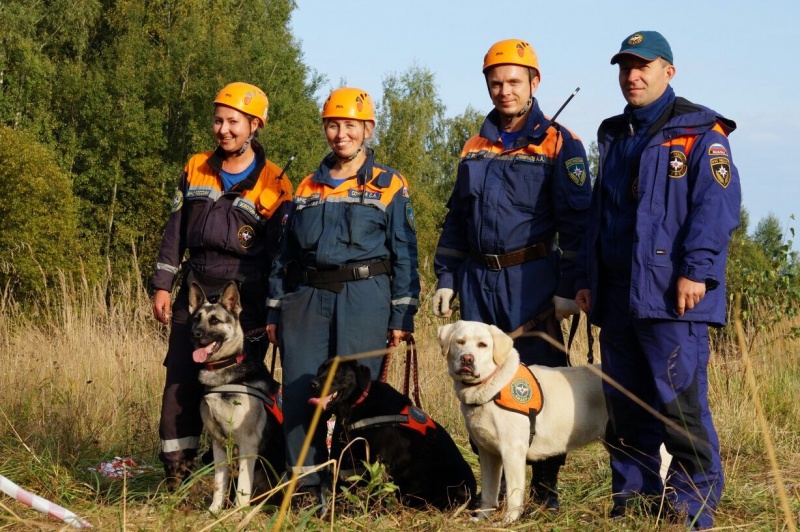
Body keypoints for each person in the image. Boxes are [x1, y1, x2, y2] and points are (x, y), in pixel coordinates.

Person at [574, 31, 741, 528]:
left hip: (674, 297)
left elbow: (717, 209)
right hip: (619, 297)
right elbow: (598, 216)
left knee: (679, 407)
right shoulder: (614, 135)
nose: (633, 75)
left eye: (643, 66)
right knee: (625, 408)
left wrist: (697, 271)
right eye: (625, 67)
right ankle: (634, 502)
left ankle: (690, 508)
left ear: (669, 72)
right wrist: (587, 277)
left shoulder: (700, 132)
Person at [432, 39, 593, 510]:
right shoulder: (474, 145)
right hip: (478, 282)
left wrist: (567, 287)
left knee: (540, 386)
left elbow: (578, 224)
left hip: (534, 281)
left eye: (514, 82)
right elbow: (457, 219)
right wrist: (446, 277)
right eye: (496, 83)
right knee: (479, 384)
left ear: (534, 83)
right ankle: (495, 491)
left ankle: (544, 490)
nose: (504, 91)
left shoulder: (562, 143)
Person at [266, 87, 420, 508]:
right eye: (333, 125)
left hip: (365, 297)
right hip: (307, 299)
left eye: (350, 125)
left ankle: (352, 488)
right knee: (302, 393)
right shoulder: (306, 186)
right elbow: (285, 255)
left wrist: (401, 315)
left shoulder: (390, 185)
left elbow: (405, 252)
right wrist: (275, 309)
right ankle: (304, 486)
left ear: (367, 129)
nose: (341, 134)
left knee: (358, 396)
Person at [151, 82, 294, 488]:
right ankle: (181, 478)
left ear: (254, 126)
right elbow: (173, 233)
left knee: (243, 400)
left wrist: (274, 310)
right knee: (180, 385)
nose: (224, 129)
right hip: (194, 293)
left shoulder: (276, 184)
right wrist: (163, 284)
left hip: (243, 301)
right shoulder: (195, 167)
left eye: (234, 122)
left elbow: (279, 257)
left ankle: (253, 482)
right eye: (218, 120)